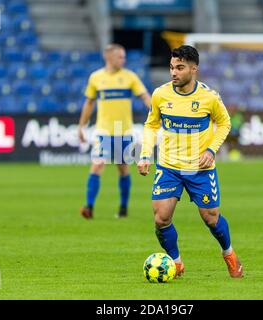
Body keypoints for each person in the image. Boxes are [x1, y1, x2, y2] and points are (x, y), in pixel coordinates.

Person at [137, 45, 243, 278]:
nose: (174, 72)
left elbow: (224, 124)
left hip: (200, 168)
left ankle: (229, 253)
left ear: (194, 69)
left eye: (180, 68)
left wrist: (211, 150)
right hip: (169, 166)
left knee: (211, 218)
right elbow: (152, 124)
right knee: (161, 218)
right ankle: (176, 263)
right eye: (172, 67)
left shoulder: (209, 97)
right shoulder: (160, 94)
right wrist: (145, 154)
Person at [78, 44, 151, 219]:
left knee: (123, 170)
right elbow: (89, 103)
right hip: (103, 131)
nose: (123, 60)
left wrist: (157, 112)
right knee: (97, 165)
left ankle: (123, 208)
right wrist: (81, 125)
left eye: (124, 57)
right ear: (109, 57)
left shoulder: (129, 77)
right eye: (120, 57)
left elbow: (144, 96)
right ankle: (89, 206)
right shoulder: (96, 78)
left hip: (124, 131)